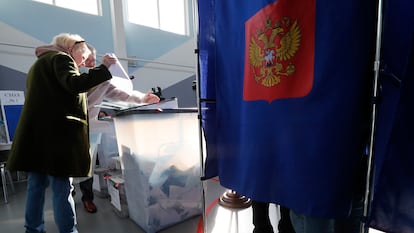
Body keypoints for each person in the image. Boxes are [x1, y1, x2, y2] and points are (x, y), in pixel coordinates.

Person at [6, 33, 117, 233]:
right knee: (61, 188)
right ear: (72, 49)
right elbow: (75, 85)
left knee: (36, 186)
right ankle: (68, 231)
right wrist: (104, 67)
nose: (82, 64)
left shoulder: (38, 66)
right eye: (82, 58)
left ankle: (33, 229)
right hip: (56, 138)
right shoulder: (61, 58)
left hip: (36, 137)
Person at [78, 43, 160, 213]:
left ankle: (87, 198)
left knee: (87, 166)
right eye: (88, 58)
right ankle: (69, 195)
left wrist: (143, 98)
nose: (91, 61)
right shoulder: (74, 75)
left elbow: (123, 94)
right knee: (68, 173)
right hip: (71, 128)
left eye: (94, 58)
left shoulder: (102, 80)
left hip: (90, 129)